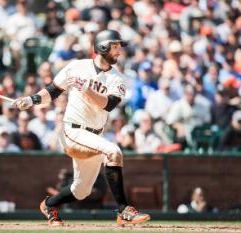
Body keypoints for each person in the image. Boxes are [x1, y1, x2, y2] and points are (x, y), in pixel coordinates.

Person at [13, 29, 150, 226]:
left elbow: (109, 104)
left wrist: (86, 89)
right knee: (113, 152)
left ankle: (49, 205)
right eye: (115, 46)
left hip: (94, 136)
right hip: (73, 131)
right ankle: (123, 211)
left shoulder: (117, 78)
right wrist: (31, 99)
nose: (119, 51)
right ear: (103, 47)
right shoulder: (77, 67)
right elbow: (52, 92)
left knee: (81, 190)